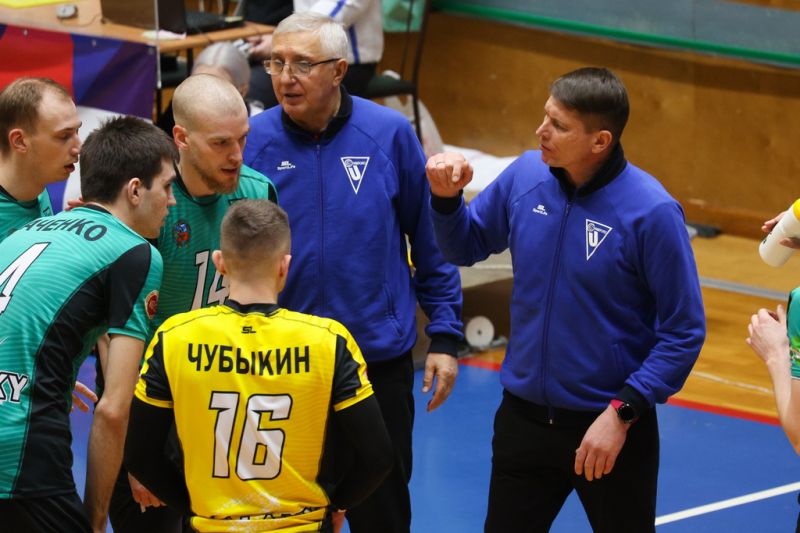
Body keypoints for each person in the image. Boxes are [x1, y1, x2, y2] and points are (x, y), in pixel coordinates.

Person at [426, 67, 706, 532]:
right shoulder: (525, 176)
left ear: (600, 141)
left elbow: (684, 331)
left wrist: (622, 413)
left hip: (610, 427)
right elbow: (466, 246)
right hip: (522, 421)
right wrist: (446, 200)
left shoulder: (651, 212)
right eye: (545, 116)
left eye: (558, 125)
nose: (541, 131)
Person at [243, 13, 463, 533]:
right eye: (276, 62)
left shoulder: (389, 134)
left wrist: (445, 335)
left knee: (382, 513)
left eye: (302, 64)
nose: (285, 77)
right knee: (289, 520)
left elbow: (430, 240)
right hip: (281, 364)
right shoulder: (252, 142)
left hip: (374, 361)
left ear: (339, 70)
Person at [125, 199, 393, 532]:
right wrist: (335, 505)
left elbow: (139, 456)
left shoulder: (174, 338)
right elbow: (378, 456)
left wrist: (194, 507)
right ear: (285, 265)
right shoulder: (329, 341)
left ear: (219, 263)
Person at [107, 73, 278, 532]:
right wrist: (136, 450)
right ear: (180, 138)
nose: (237, 155)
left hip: (226, 401)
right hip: (155, 402)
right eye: (221, 143)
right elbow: (119, 335)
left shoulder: (257, 193)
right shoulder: (147, 205)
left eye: (243, 139)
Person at [0, 115, 177, 533]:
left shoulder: (29, 230)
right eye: (168, 187)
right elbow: (114, 409)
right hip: (21, 446)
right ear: (135, 190)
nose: (172, 201)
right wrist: (96, 522)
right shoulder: (136, 252)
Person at [246, 0, 382, 108]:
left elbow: (338, 7)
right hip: (296, 50)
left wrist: (281, 39)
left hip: (345, 63)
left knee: (250, 94)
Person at [0, 77, 81, 239]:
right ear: (20, 141)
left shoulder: (35, 182)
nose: (78, 148)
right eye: (64, 136)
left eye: (77, 131)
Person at [156, 42, 261, 136]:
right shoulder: (179, 110)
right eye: (197, 86)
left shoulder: (258, 127)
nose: (203, 97)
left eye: (216, 91)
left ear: (242, 91)